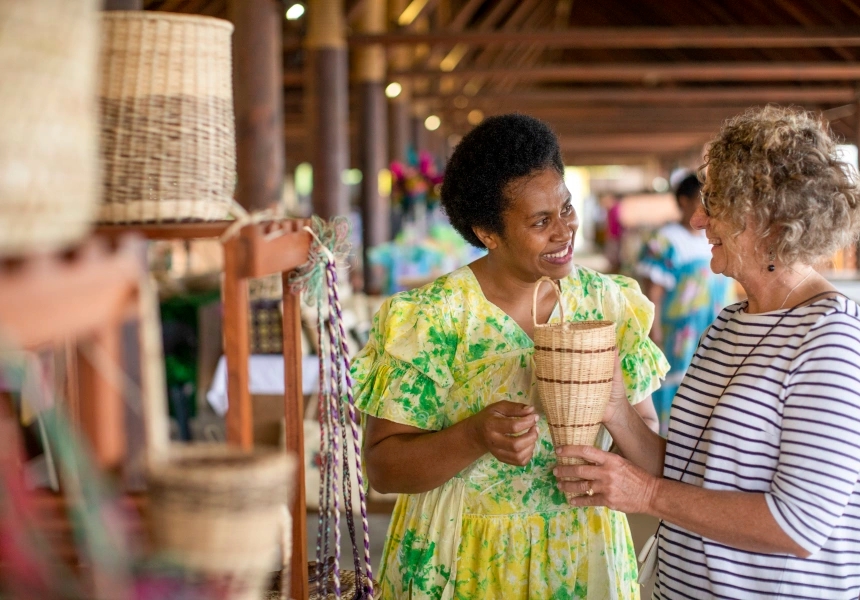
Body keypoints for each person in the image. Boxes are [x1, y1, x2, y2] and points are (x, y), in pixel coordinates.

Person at [352, 113, 669, 600]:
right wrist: (473, 435)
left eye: (566, 208)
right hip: (458, 558)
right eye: (540, 221)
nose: (563, 231)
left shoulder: (607, 305)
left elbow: (650, 458)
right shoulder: (434, 317)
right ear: (487, 233)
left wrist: (617, 413)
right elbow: (384, 469)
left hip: (581, 556)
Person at [555, 105, 860, 599]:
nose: (698, 219)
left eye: (715, 202)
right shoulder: (729, 324)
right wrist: (612, 403)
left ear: (768, 217)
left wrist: (646, 495)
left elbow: (797, 524)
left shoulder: (829, 339)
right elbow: (687, 471)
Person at [636, 173, 734, 435]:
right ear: (683, 201)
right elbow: (652, 292)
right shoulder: (665, 240)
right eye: (700, 200)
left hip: (711, 327)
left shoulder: (713, 239)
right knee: (674, 381)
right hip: (676, 333)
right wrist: (653, 331)